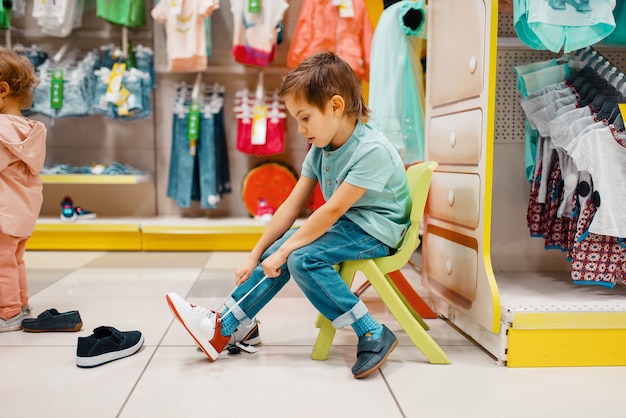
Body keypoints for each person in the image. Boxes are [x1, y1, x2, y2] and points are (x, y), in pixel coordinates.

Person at [167, 51, 411, 378]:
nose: (299, 129)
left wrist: (285, 250)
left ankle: (372, 331)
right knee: (283, 249)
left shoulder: (372, 150)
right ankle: (232, 326)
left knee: (299, 257)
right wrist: (255, 255)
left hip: (377, 231)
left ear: (336, 106)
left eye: (305, 117)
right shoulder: (321, 149)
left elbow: (333, 209)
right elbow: (290, 206)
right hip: (352, 224)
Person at [0, 47, 47, 332]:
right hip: (23, 213)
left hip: (3, 213)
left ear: (2, 89)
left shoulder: (1, 130)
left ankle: (6, 313)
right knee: (15, 259)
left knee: (1, 264)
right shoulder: (31, 129)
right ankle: (20, 303)